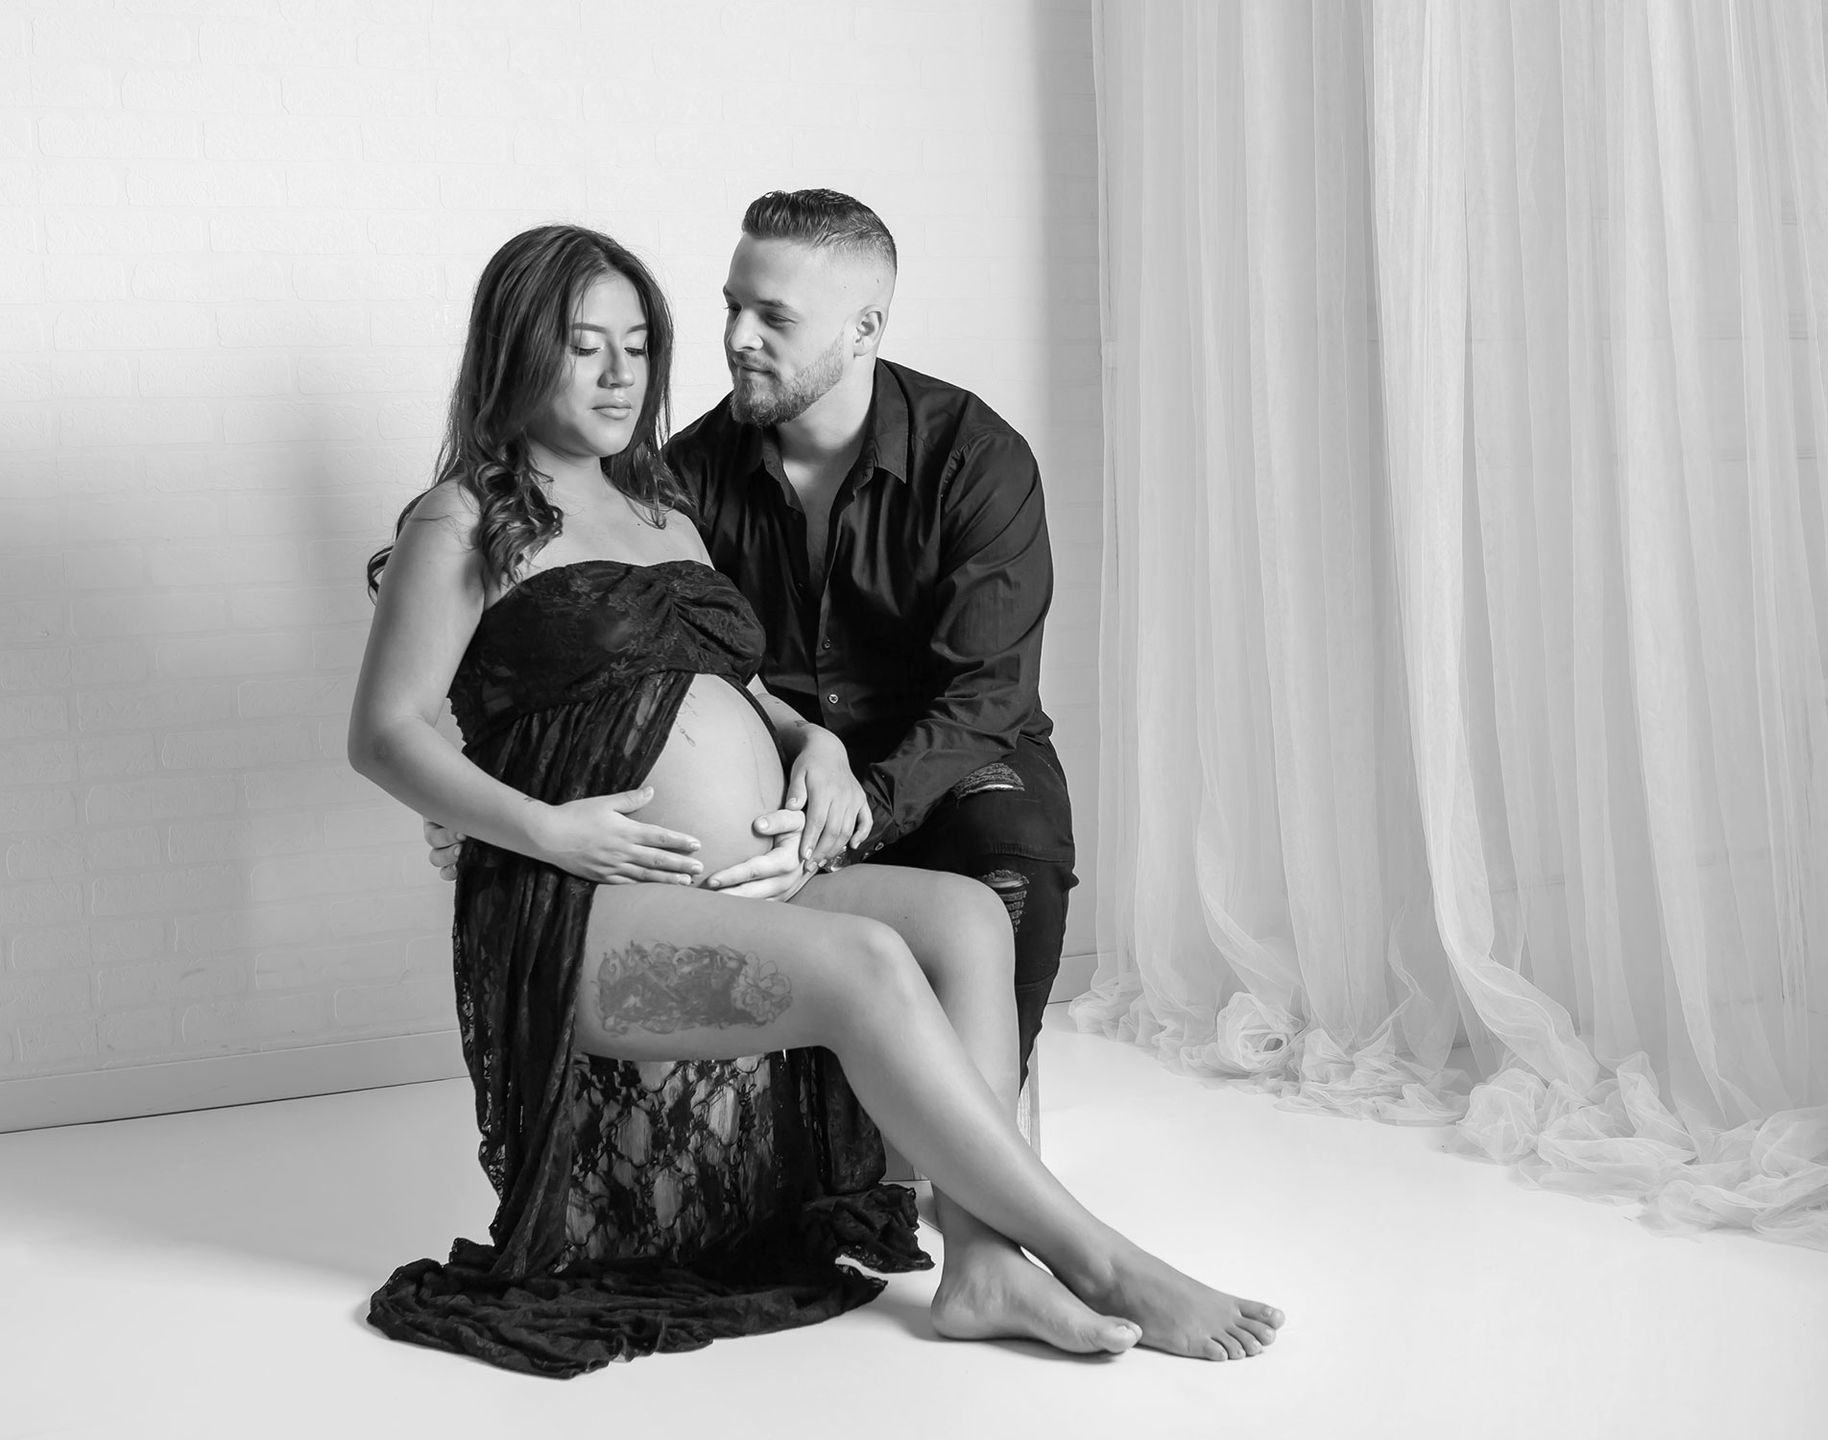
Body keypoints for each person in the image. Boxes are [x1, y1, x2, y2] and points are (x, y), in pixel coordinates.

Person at [350, 223, 1279, 1375]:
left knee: (965, 918)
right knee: (871, 963)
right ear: (515, 352)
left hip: (739, 887)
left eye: (637, 345)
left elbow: (735, 684)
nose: (619, 373)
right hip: (586, 917)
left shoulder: (661, 509)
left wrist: (817, 743)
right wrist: (544, 826)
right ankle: (1098, 1256)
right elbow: (385, 733)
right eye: (583, 346)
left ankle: (983, 1262)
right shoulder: (464, 520)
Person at [429, 190, 1075, 1083]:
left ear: (863, 329)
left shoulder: (976, 460)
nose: (737, 337)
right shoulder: (681, 479)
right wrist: (495, 798)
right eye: (733, 306)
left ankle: (975, 1122)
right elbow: (589, 654)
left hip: (942, 752)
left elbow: (986, 696)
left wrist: (849, 816)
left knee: (1009, 855)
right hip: (778, 770)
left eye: (774, 317)